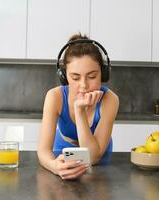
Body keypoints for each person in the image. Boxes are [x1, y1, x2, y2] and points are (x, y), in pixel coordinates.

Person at [37, 33, 119, 180]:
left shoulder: (110, 100)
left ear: (103, 74)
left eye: (92, 76)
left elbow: (92, 158)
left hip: (99, 159)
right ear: (64, 76)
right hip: (61, 153)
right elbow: (43, 151)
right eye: (75, 77)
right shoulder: (54, 97)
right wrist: (54, 165)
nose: (84, 85)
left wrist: (79, 110)